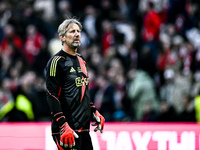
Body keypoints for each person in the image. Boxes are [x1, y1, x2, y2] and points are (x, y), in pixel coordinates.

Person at [45, 18, 105, 150]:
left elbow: (83, 94)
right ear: (63, 37)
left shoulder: (81, 60)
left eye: (78, 31)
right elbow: (51, 95)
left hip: (84, 130)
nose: (77, 34)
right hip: (67, 130)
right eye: (72, 31)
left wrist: (94, 111)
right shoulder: (56, 62)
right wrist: (63, 125)